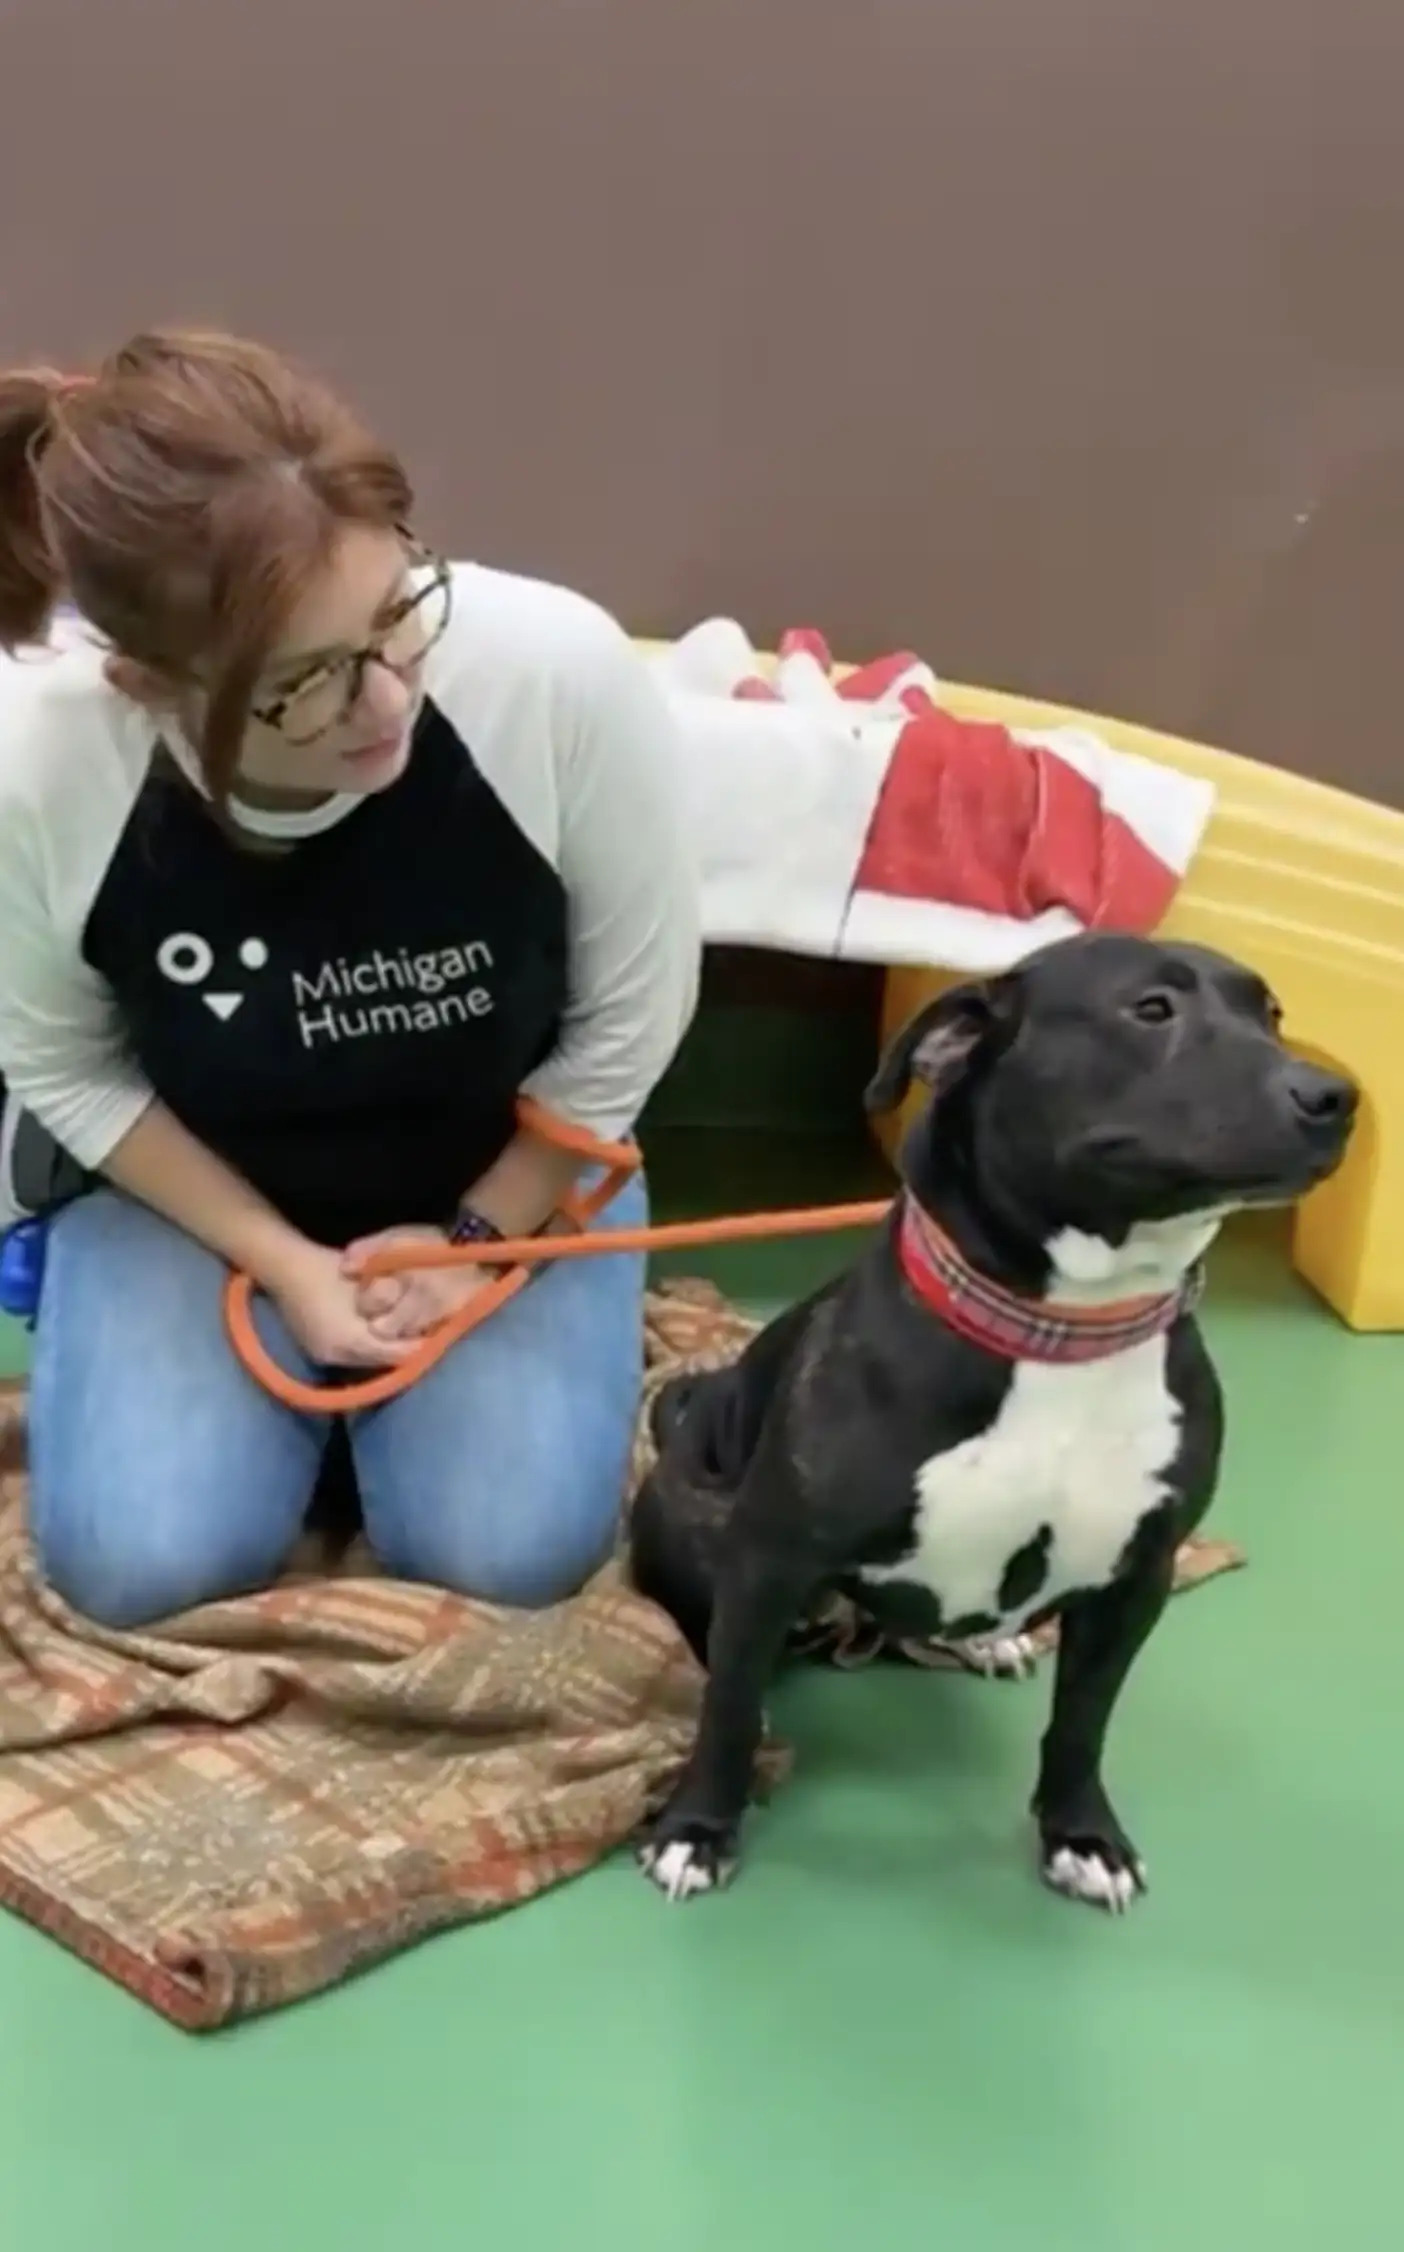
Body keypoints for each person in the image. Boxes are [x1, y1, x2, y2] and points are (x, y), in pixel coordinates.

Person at [0, 328, 700, 1628]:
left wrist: (487, 1239)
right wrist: (279, 1261)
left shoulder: (558, 674)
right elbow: (59, 1066)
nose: (386, 703)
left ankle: (352, 1420)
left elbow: (634, 1017)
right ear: (151, 685)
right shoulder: (38, 761)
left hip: (506, 1163)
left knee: (504, 1554)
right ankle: (265, 1403)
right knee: (136, 1566)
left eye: (400, 617)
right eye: (305, 685)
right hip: (196, 1188)